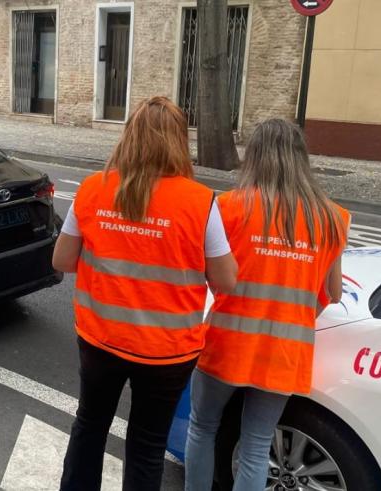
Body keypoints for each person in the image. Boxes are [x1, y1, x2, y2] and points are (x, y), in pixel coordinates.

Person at [53, 96, 237, 490]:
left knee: (90, 425)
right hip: (168, 351)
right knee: (147, 445)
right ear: (177, 142)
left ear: (128, 137)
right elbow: (225, 281)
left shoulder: (92, 190)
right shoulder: (200, 202)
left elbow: (63, 260)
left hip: (101, 339)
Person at [184, 119, 349, 491]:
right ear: (301, 158)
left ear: (254, 156)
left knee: (203, 427)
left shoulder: (229, 207)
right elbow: (333, 291)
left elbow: (205, 274)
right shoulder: (332, 218)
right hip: (285, 352)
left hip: (227, 343)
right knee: (257, 447)